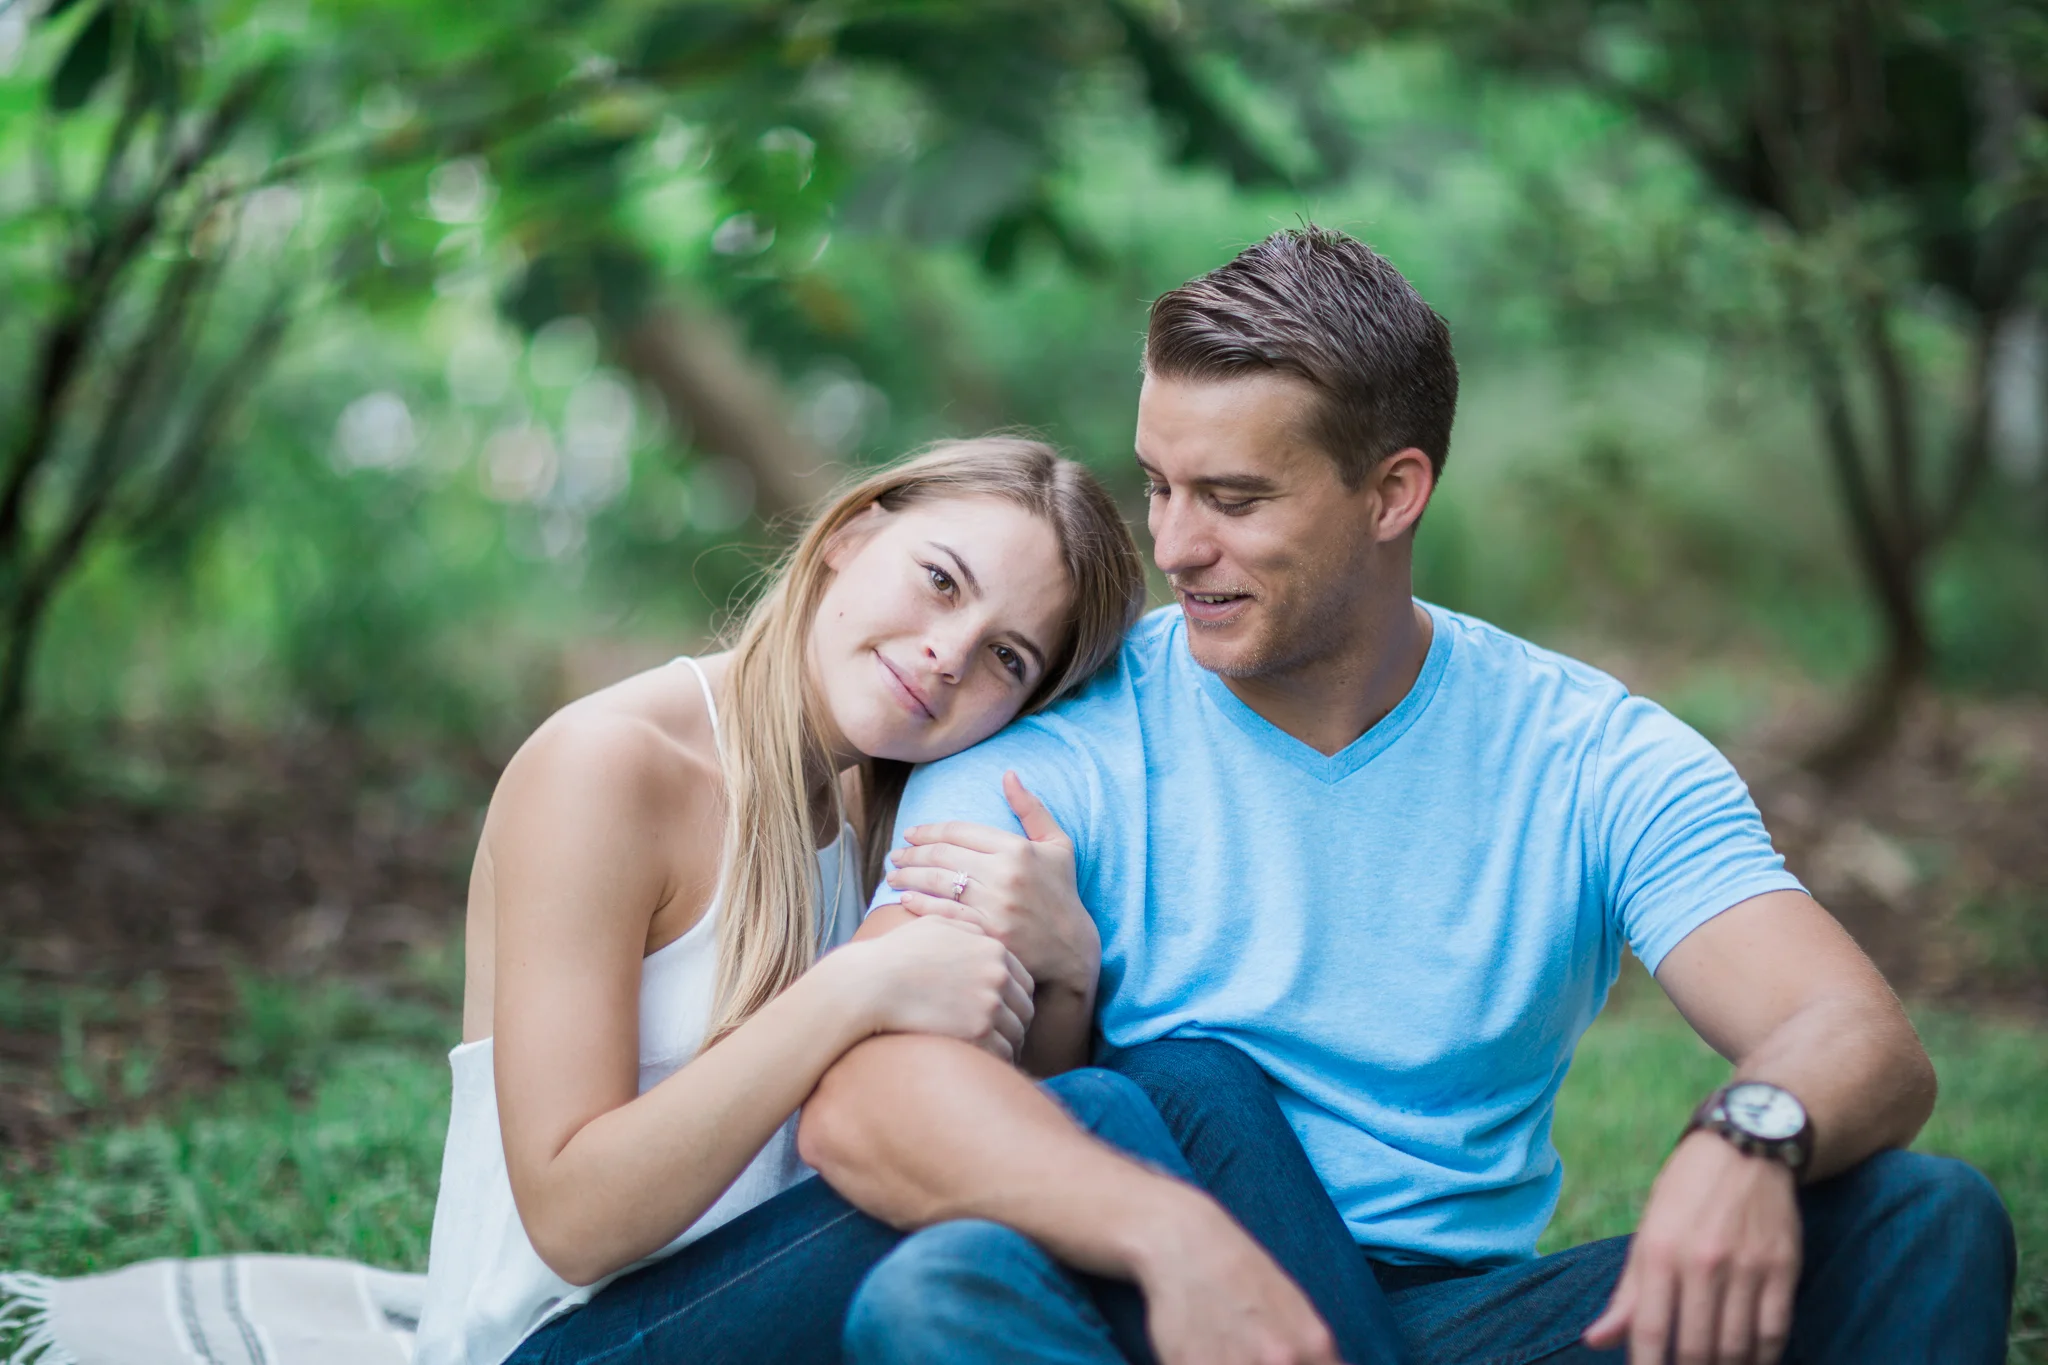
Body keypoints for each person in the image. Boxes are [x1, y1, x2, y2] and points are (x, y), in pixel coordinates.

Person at [795, 229, 2019, 1365]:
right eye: (1158, 485)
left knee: (1922, 1217)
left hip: (1466, 1319)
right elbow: (865, 1104)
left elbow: (1857, 1037)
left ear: (1390, 494)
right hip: (1174, 1306)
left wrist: (1747, 1132)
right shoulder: (1050, 745)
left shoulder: (1588, 753)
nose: (1170, 546)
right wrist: (1170, 1238)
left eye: (1233, 500)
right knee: (943, 1292)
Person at [414, 437, 1345, 1365]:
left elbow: (984, 1130)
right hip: (560, 1341)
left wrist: (1065, 968)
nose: (950, 653)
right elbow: (572, 1220)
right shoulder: (609, 767)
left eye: (1007, 658)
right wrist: (854, 987)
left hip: (765, 1302)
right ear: (852, 536)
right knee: (1093, 1127)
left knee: (1195, 1085)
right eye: (941, 580)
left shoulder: (888, 808)